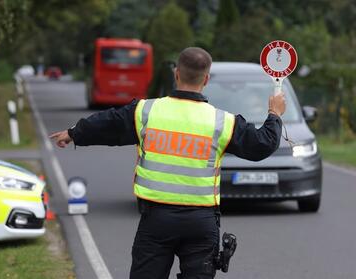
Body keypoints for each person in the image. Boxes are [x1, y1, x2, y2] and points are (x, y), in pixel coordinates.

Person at [50, 47, 286, 279]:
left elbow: (108, 124)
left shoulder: (146, 112)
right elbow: (262, 145)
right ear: (206, 79)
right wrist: (274, 114)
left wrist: (74, 133)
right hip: (201, 224)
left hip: (157, 220)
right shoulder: (222, 122)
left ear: (176, 74)